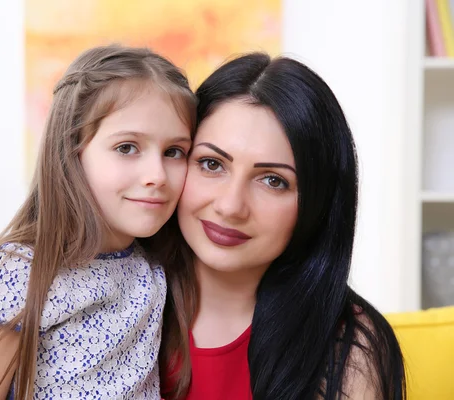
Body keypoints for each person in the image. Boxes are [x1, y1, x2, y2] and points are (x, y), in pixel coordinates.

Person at [0, 44, 196, 400]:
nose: (157, 175)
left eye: (174, 152)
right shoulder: (21, 271)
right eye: (127, 147)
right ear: (72, 151)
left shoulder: (153, 268)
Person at [161, 53, 406, 400]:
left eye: (273, 181)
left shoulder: (349, 347)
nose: (230, 206)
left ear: (317, 203)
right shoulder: (111, 302)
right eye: (211, 163)